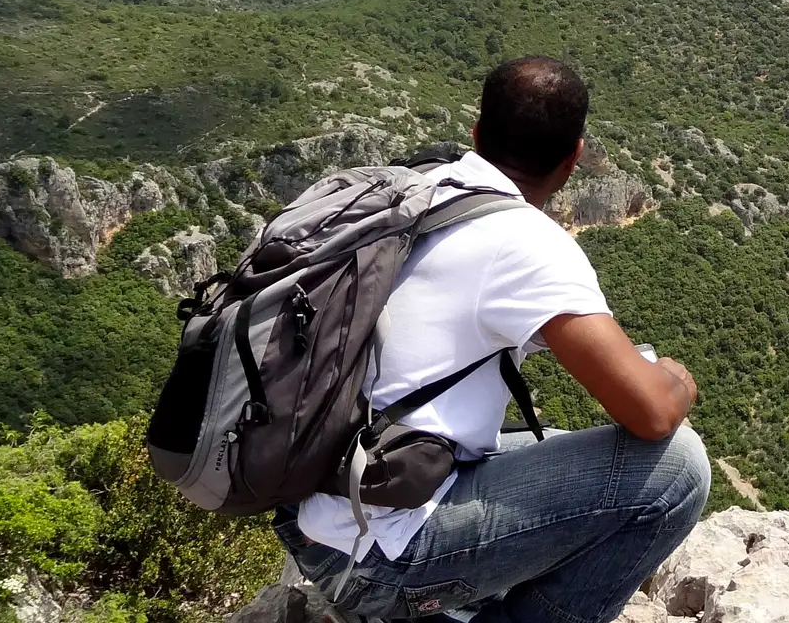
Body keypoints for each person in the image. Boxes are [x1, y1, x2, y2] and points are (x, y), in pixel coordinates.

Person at [275, 55, 709, 623]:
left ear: (477, 135)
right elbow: (651, 414)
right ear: (575, 158)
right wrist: (676, 380)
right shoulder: (528, 243)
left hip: (306, 506)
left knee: (555, 442)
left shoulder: (416, 190)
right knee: (677, 468)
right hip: (375, 556)